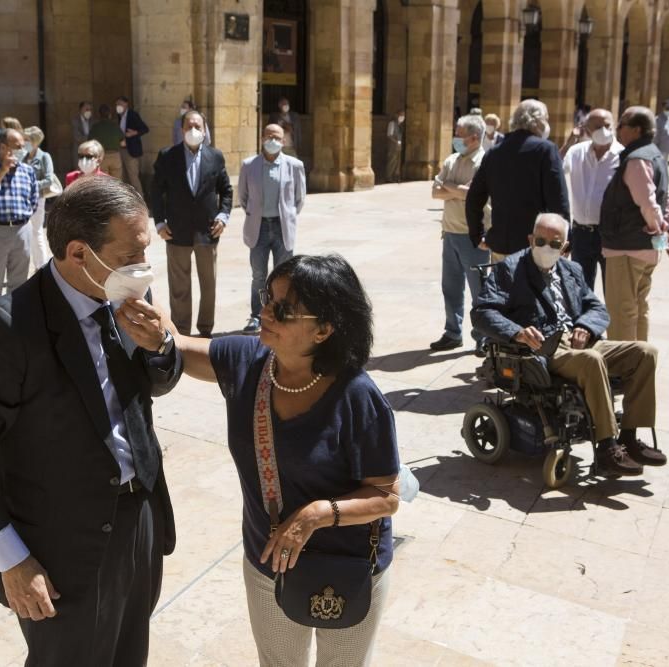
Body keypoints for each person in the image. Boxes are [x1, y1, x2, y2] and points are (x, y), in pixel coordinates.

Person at [0, 176, 182, 666]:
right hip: (63, 543)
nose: (143, 267)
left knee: (128, 652)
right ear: (79, 253)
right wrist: (11, 559)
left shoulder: (123, 300)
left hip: (139, 519)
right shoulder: (6, 330)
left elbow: (154, 384)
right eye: (132, 253)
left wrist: (163, 347)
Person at [172, 253, 400, 666]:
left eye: (283, 309)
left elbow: (386, 497)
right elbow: (178, 347)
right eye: (266, 298)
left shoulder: (358, 397)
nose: (265, 313)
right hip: (268, 563)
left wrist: (315, 515)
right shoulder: (247, 362)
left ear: (324, 330)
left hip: (346, 566)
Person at [472, 213, 666, 477]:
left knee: (646, 353)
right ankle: (607, 446)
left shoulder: (571, 270)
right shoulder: (510, 269)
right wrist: (517, 332)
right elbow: (482, 311)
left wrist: (585, 326)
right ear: (531, 239)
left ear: (564, 247)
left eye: (555, 243)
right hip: (545, 347)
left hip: (582, 341)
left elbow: (596, 307)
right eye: (540, 240)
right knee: (592, 361)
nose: (547, 247)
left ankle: (629, 436)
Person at [599, 106, 669, 342]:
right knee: (637, 307)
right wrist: (667, 225)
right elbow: (665, 196)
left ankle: (622, 368)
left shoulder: (637, 159)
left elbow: (648, 202)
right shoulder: (653, 154)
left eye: (621, 124)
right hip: (642, 247)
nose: (617, 130)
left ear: (636, 130)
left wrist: (659, 227)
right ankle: (638, 362)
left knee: (622, 311)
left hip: (627, 247)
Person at [151, 110, 233, 337]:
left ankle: (205, 329)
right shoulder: (167, 156)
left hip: (207, 231)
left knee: (209, 285)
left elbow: (225, 190)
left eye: (198, 126)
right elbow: (156, 191)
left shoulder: (215, 156)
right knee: (179, 287)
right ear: (182, 130)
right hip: (176, 231)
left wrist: (223, 217)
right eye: (189, 126)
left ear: (205, 130)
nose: (193, 130)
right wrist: (159, 222)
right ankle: (182, 331)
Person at [466, 99, 570, 261]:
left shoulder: (494, 152)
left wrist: (477, 235)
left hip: (501, 244)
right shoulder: (545, 150)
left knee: (502, 286)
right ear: (537, 121)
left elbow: (473, 197)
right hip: (537, 247)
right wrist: (563, 242)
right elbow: (558, 201)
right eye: (546, 119)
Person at [238, 124, 307, 334]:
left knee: (284, 274)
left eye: (276, 137)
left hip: (281, 227)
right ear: (261, 138)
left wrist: (289, 216)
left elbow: (299, 198)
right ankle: (257, 316)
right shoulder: (249, 165)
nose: (272, 140)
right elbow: (243, 197)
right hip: (258, 227)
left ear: (283, 141)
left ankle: (282, 313)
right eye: (268, 136)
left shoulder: (294, 165)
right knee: (258, 275)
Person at [430, 114, 491, 353]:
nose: (456, 138)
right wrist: (457, 190)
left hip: (473, 236)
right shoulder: (452, 160)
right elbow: (435, 193)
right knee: (451, 287)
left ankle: (483, 337)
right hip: (450, 232)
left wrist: (448, 187)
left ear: (474, 138)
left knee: (480, 291)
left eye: (459, 134)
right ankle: (452, 332)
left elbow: (471, 194)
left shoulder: (484, 162)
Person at [562, 108, 623, 291]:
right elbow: (555, 168)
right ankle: (584, 320)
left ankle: (610, 320)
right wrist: (569, 141)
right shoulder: (576, 152)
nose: (603, 130)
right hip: (581, 233)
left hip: (610, 234)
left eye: (607, 126)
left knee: (612, 289)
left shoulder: (623, 156)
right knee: (581, 289)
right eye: (597, 126)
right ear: (586, 128)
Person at [0, 129, 39, 306]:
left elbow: (34, 201)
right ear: (3, 147)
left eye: (22, 145)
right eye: (17, 146)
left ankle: (14, 323)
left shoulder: (27, 171)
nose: (22, 149)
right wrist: (2, 170)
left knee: (19, 283)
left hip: (22, 230)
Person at [23, 126, 55, 270]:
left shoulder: (44, 157)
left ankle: (42, 266)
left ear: (35, 141)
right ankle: (36, 264)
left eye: (27, 140)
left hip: (37, 198)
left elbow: (49, 179)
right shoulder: (23, 157)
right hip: (23, 199)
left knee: (36, 231)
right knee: (27, 232)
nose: (24, 142)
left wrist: (31, 184)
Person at [116, 96, 150, 199]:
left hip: (131, 151)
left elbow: (145, 129)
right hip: (120, 149)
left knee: (133, 177)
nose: (118, 106)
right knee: (123, 177)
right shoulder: (118, 116)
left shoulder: (133, 115)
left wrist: (134, 133)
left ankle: (141, 201)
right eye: (117, 104)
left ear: (126, 105)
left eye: (120, 104)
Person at [88, 104, 124, 178]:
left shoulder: (95, 127)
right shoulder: (115, 126)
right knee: (117, 181)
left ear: (99, 114)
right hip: (115, 156)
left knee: (104, 181)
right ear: (110, 114)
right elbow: (123, 143)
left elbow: (90, 142)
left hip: (102, 156)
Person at [385, 110, 405, 183]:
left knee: (397, 162)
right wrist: (396, 142)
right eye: (401, 115)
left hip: (398, 146)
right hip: (393, 145)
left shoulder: (400, 125)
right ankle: (389, 177)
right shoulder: (392, 123)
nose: (402, 117)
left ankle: (395, 176)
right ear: (397, 115)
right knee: (392, 161)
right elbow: (389, 135)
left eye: (403, 115)